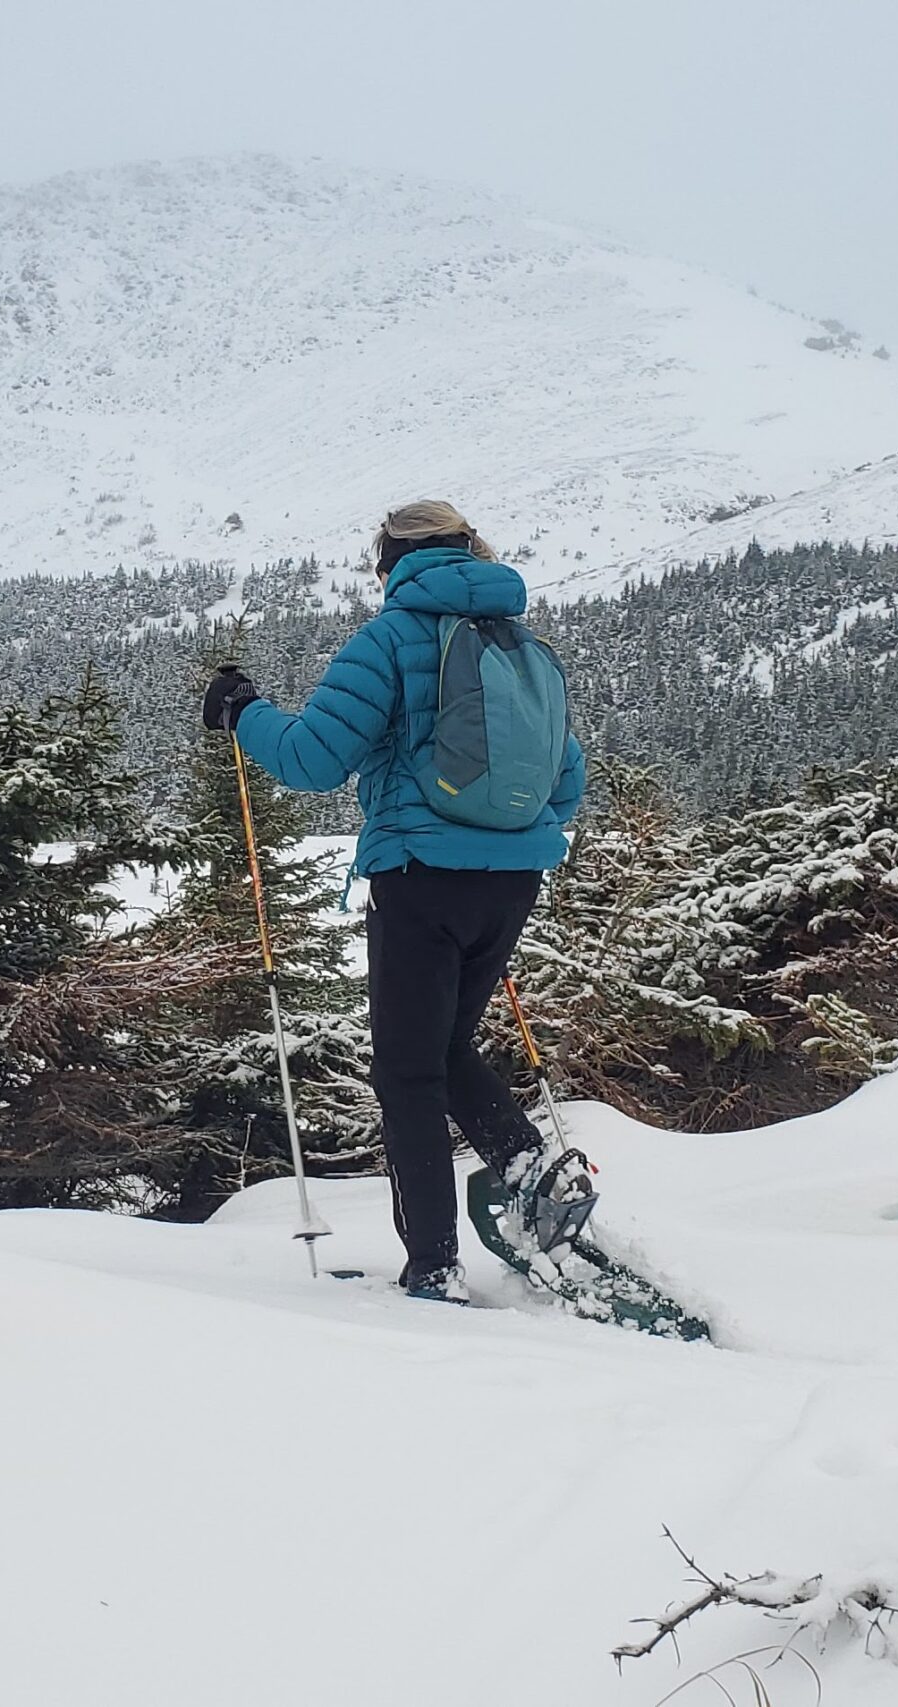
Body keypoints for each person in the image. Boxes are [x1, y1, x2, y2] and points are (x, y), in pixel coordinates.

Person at [201, 500, 585, 1302]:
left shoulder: (392, 638)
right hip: (512, 885)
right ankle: (528, 1167)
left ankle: (435, 1266)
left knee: (407, 1072)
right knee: (442, 1049)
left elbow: (311, 758)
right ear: (470, 553)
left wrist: (245, 713)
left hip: (419, 879)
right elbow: (568, 781)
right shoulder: (524, 645)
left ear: (392, 563)